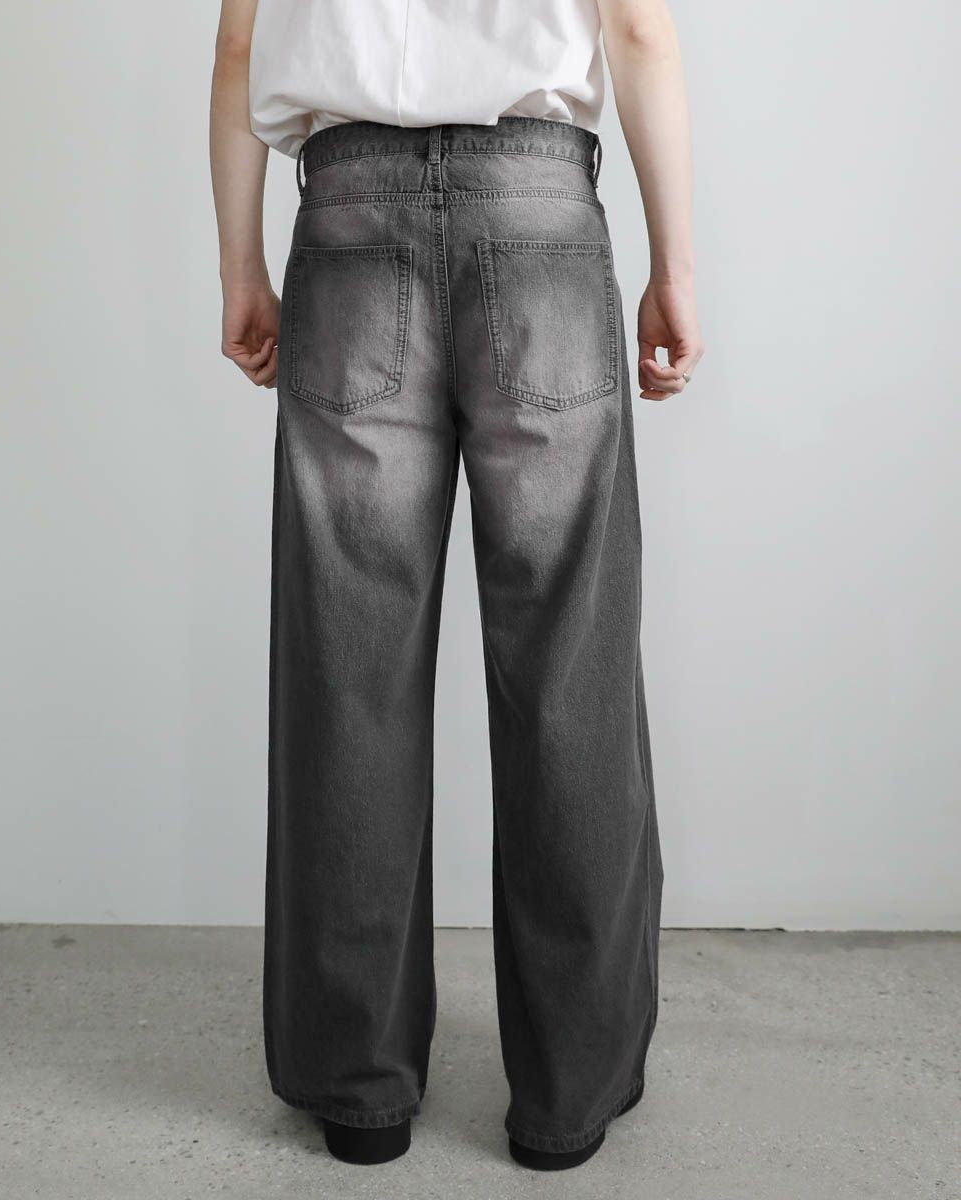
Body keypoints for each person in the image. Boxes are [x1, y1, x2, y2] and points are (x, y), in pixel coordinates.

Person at [210, 0, 702, 1172]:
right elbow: (638, 29)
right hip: (539, 216)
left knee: (349, 669)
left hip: (347, 217)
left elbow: (237, 47)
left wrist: (238, 266)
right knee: (569, 668)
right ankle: (568, 1097)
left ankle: (357, 1093)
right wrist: (675, 267)